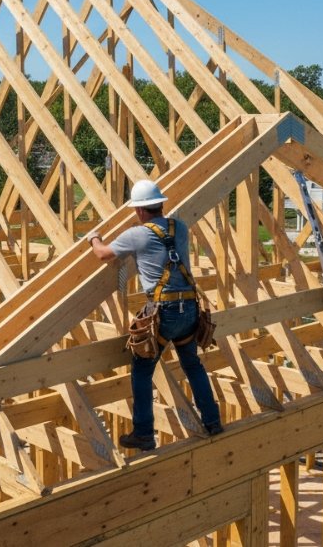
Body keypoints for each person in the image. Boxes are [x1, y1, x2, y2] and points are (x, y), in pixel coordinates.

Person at [88, 179, 223, 451]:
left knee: (141, 370)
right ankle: (212, 421)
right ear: (161, 204)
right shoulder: (180, 227)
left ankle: (144, 433)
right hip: (190, 309)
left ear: (138, 211)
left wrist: (94, 237)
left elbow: (103, 255)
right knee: (192, 365)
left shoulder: (136, 234)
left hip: (164, 312)